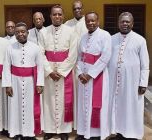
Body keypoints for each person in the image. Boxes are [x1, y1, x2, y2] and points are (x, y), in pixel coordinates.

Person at [108, 12, 150, 140]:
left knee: (132, 108)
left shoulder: (140, 40)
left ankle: (132, 134)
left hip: (132, 82)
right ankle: (118, 132)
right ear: (118, 23)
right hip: (114, 82)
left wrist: (143, 83)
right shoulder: (111, 39)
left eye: (127, 22)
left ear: (132, 23)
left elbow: (145, 64)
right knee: (117, 107)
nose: (125, 24)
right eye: (122, 21)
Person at [39, 5, 77, 140]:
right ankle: (49, 130)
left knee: (63, 100)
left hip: (64, 72)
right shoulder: (43, 32)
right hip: (48, 72)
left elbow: (73, 54)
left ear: (63, 15)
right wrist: (49, 71)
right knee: (48, 101)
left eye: (59, 14)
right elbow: (40, 53)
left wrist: (60, 72)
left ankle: (64, 130)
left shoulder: (71, 31)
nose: (57, 17)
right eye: (54, 14)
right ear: (50, 16)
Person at [2, 22, 44, 140]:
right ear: (15, 34)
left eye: (23, 32)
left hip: (31, 82)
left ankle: (30, 133)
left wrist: (40, 83)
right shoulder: (10, 48)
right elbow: (6, 66)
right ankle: (17, 132)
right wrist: (7, 85)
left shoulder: (35, 48)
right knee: (15, 107)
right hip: (15, 81)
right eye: (17, 32)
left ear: (27, 33)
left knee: (30, 107)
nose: (20, 34)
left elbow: (40, 67)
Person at [76, 12, 111, 140]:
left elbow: (105, 57)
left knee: (96, 104)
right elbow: (80, 56)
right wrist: (79, 72)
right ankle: (83, 132)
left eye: (93, 21)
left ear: (98, 21)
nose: (90, 23)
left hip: (97, 76)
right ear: (85, 22)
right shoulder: (83, 37)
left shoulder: (105, 35)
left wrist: (90, 75)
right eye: (88, 21)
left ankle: (96, 134)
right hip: (83, 77)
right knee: (84, 104)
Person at [64, 0, 88, 131]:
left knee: (83, 96)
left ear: (82, 9)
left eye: (79, 8)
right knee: (71, 95)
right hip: (71, 65)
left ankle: (82, 125)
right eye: (75, 9)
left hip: (85, 65)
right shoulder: (67, 24)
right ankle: (72, 124)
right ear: (72, 10)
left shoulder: (89, 22)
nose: (77, 10)